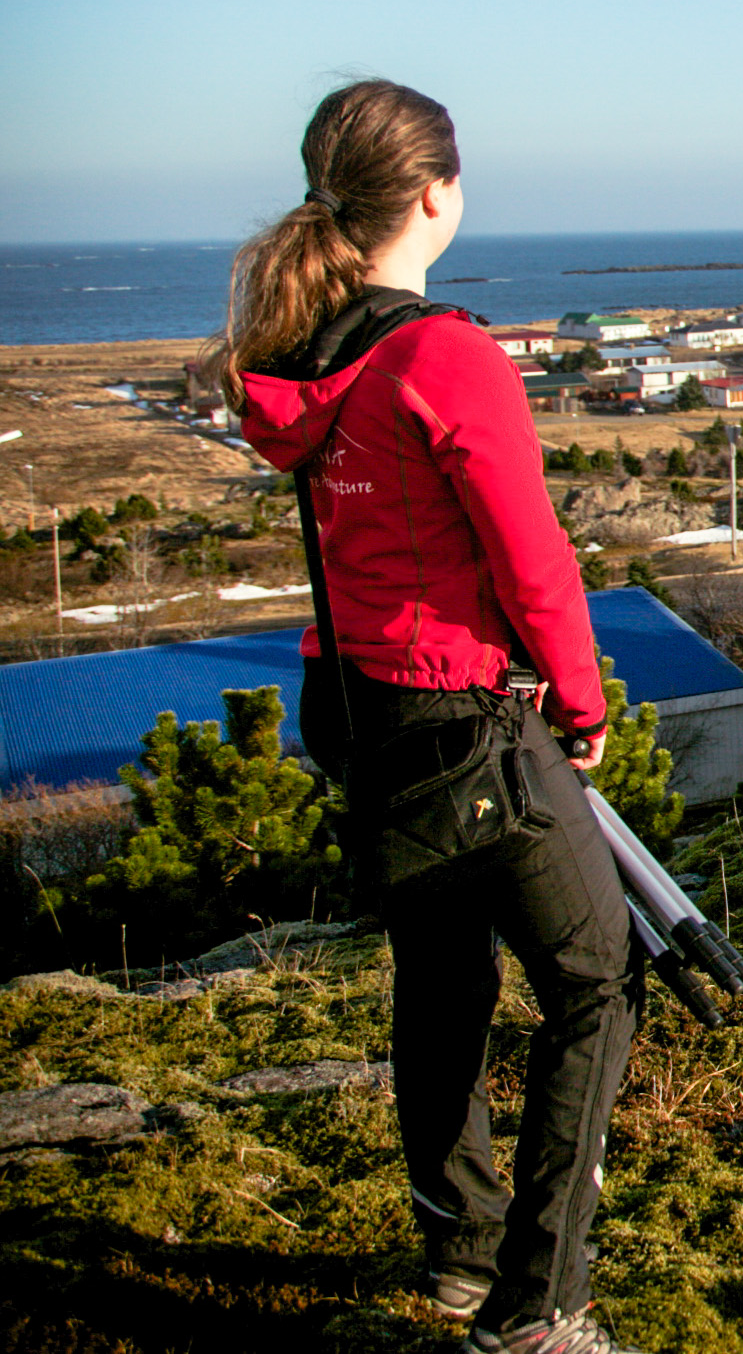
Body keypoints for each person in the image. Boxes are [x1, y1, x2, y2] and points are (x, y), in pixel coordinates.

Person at [213, 79, 645, 1354]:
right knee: (596, 975)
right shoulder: (442, 354)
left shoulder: (309, 357)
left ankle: (458, 1248)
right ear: (436, 194)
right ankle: (536, 1304)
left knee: (443, 977)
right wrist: (581, 698)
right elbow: (532, 557)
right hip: (467, 713)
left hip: (357, 704)